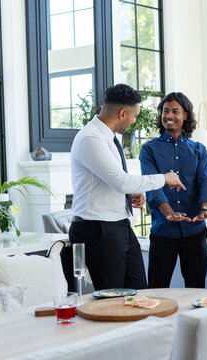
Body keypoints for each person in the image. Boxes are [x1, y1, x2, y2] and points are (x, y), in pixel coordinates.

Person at [69, 84, 185, 291]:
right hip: (97, 229)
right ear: (123, 113)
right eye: (133, 116)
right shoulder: (90, 138)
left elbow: (113, 182)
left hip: (118, 226)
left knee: (138, 292)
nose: (133, 121)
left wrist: (129, 194)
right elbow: (121, 181)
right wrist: (164, 178)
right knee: (113, 298)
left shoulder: (110, 138)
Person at [139, 92, 207, 288]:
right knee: (157, 289)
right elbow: (152, 187)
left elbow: (206, 181)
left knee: (196, 288)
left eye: (175, 111)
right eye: (165, 111)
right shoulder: (149, 149)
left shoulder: (199, 149)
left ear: (185, 116)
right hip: (163, 232)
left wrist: (205, 208)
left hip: (194, 232)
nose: (169, 116)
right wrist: (168, 212)